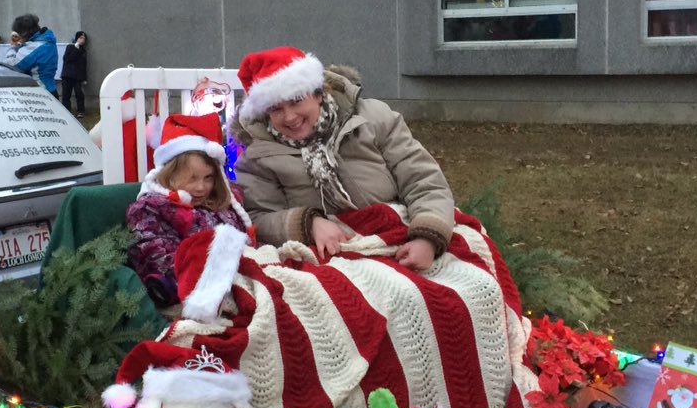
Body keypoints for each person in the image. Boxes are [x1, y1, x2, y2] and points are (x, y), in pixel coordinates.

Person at [231, 46, 454, 272]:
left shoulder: (374, 119)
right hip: (327, 254)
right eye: (276, 109)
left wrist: (427, 238)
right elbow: (258, 217)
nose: (289, 117)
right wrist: (308, 223)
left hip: (402, 234)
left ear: (317, 94)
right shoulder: (258, 156)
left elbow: (424, 180)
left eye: (296, 101)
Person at [125, 112, 251, 309]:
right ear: (170, 173)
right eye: (192, 178)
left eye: (208, 178)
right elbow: (160, 258)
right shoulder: (149, 210)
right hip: (191, 292)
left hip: (241, 281)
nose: (201, 187)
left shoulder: (222, 203)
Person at [10, 12, 58, 93]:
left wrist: (12, 48)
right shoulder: (48, 41)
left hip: (40, 92)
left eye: (19, 33)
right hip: (51, 89)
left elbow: (12, 66)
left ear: (24, 32)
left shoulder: (34, 47)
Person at [60, 30, 88, 117]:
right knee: (66, 95)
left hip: (77, 77)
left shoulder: (83, 51)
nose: (82, 40)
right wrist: (76, 48)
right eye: (80, 38)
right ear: (76, 38)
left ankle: (81, 111)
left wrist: (84, 78)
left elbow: (84, 66)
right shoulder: (70, 47)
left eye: (84, 38)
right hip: (67, 75)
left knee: (79, 94)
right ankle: (67, 112)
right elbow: (67, 59)